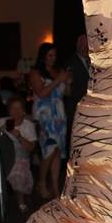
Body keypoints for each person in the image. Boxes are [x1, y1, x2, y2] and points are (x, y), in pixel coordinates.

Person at [29, 42, 69, 199]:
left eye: (54, 55)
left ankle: (55, 185)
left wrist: (67, 82)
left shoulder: (58, 71)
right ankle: (41, 182)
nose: (52, 58)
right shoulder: (35, 72)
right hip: (45, 116)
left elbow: (66, 93)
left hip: (59, 115)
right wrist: (58, 80)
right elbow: (42, 93)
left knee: (58, 151)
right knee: (49, 150)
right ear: (43, 56)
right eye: (49, 55)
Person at [0, 95, 37, 213]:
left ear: (23, 111)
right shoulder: (0, 122)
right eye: (13, 108)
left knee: (18, 170)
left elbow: (31, 149)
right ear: (9, 110)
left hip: (20, 158)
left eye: (19, 108)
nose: (16, 111)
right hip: (2, 158)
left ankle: (21, 202)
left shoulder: (28, 125)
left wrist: (19, 136)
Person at [64, 32, 91, 147]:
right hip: (76, 108)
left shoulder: (93, 62)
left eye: (87, 45)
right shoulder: (70, 63)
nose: (85, 47)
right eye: (83, 44)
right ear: (78, 45)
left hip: (91, 108)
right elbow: (68, 90)